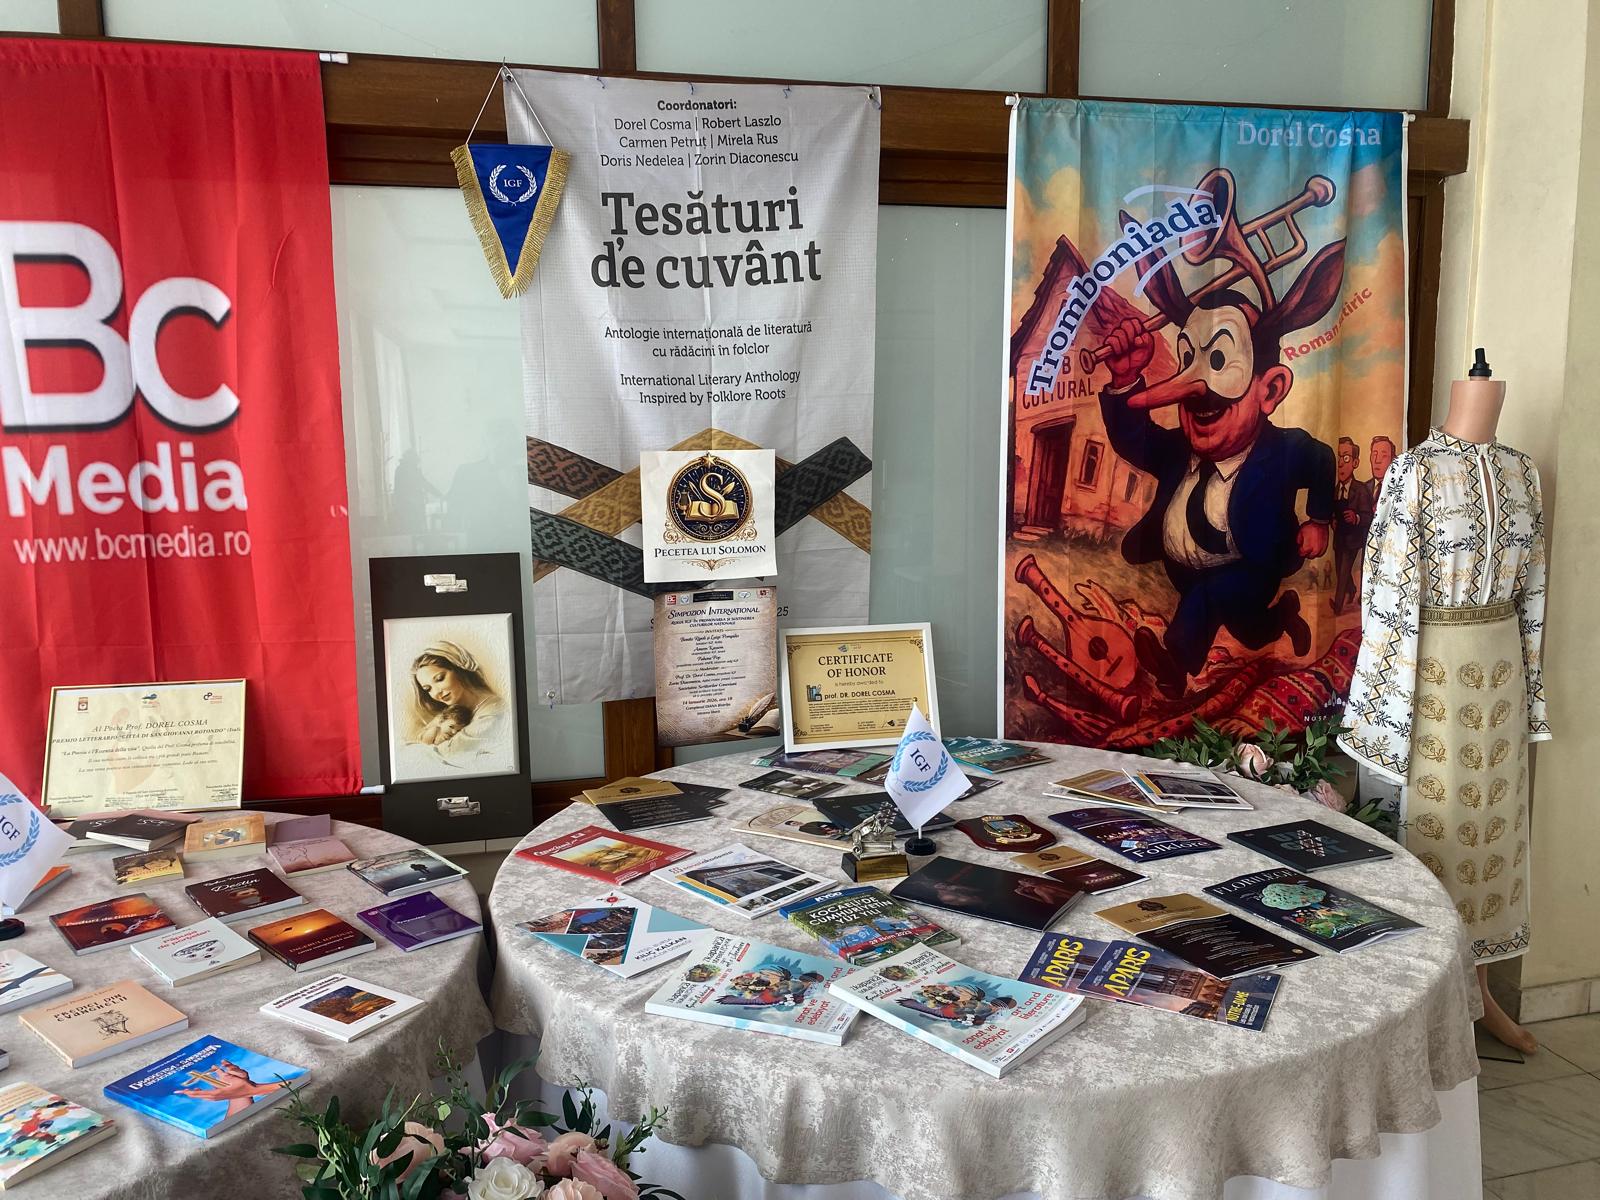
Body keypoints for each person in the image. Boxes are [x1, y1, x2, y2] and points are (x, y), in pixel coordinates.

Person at [1098, 239, 1345, 697]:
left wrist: (1318, 518)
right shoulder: (1179, 451)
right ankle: (1283, 617)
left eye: (1218, 362)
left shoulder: (1283, 450)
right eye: (1188, 361)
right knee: (1250, 628)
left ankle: (1175, 665)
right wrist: (1125, 379)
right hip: (1185, 568)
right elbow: (1133, 440)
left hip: (1250, 566)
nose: (1195, 391)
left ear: (1270, 391)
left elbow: (1322, 459)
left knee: (1215, 596)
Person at [404, 641, 510, 769]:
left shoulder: (493, 712)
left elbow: (448, 753)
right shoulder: (447, 715)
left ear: (457, 669)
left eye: (439, 679)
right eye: (428, 689)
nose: (436, 692)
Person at [1331, 437, 1376, 614]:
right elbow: (1331, 511)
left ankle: (1338, 606)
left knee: (1343, 572)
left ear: (1355, 463)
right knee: (1339, 570)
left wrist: (1356, 517)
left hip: (1353, 539)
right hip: (1339, 537)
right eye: (1339, 458)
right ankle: (1351, 589)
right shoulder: (1335, 489)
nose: (1341, 464)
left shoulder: (1361, 489)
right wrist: (1332, 520)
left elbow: (1368, 516)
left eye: (1346, 458)